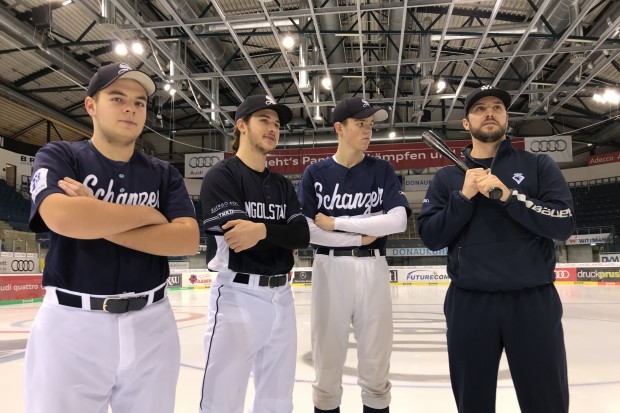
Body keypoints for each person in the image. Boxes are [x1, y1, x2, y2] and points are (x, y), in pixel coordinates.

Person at [25, 62, 199, 413]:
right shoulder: (60, 156)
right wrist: (149, 217)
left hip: (152, 323)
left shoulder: (164, 173)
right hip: (73, 324)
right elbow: (61, 217)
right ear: (91, 106)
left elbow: (186, 240)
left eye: (140, 102)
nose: (130, 109)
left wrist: (96, 215)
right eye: (118, 98)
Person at [416, 85, 575, 413]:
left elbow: (562, 223)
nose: (490, 112)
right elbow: (431, 236)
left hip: (532, 302)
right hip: (470, 304)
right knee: (473, 402)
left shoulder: (538, 165)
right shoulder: (447, 179)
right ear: (466, 124)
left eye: (498, 107)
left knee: (546, 401)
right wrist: (463, 197)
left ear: (507, 118)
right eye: (480, 109)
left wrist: (508, 196)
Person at [297, 97, 411, 413]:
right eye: (361, 124)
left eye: (371, 125)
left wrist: (338, 223)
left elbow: (397, 220)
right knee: (327, 363)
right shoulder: (315, 173)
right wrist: (361, 234)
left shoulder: (382, 169)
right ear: (339, 128)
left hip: (372, 266)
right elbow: (306, 229)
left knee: (376, 362)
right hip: (328, 268)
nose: (368, 131)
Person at [198, 95, 310, 413]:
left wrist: (260, 231)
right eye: (264, 120)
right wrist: (276, 233)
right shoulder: (222, 176)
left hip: (282, 296)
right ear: (242, 125)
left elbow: (301, 236)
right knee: (223, 398)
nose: (273, 128)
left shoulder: (283, 186)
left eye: (277, 124)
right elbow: (236, 239)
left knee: (277, 398)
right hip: (237, 294)